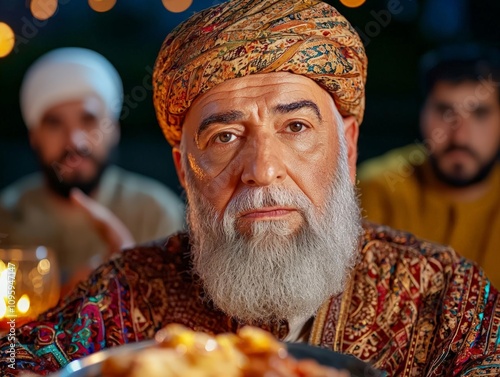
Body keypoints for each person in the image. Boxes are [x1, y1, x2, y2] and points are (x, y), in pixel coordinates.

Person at [1, 1, 500, 376]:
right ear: (183, 168)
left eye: (296, 128)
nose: (261, 170)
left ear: (347, 148)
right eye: (224, 137)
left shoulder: (447, 301)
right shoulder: (123, 294)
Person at [0, 48, 184, 290]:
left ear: (113, 130)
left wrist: (132, 279)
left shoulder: (156, 214)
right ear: (34, 136)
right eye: (54, 124)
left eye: (89, 120)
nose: (74, 141)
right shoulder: (6, 218)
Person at [357, 45, 500, 286]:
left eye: (480, 114)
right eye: (445, 112)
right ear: (423, 113)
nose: (460, 137)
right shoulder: (379, 187)